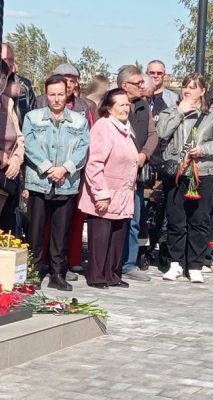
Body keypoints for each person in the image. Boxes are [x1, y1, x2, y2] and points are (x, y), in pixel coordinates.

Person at [157, 73, 213, 283]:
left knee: (199, 220)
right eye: (185, 86)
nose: (188, 90)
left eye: (193, 87)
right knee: (176, 219)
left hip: (203, 172)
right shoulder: (171, 110)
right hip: (178, 172)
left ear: (203, 91)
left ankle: (196, 265)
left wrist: (204, 149)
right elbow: (161, 132)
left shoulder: (212, 115)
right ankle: (175, 263)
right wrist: (179, 112)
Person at [23, 75, 90, 291]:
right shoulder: (32, 117)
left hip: (66, 183)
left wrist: (65, 168)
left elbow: (83, 149)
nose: (57, 99)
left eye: (60, 94)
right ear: (46, 95)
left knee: (60, 233)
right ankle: (33, 273)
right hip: (40, 181)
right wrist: (48, 168)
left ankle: (57, 274)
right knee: (35, 232)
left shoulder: (79, 121)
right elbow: (29, 145)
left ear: (67, 93)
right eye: (52, 94)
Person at [79, 88, 140, 289]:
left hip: (123, 195)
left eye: (127, 104)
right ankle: (97, 276)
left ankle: (113, 275)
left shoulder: (126, 128)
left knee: (117, 237)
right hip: (104, 194)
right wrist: (100, 193)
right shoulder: (104, 127)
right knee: (101, 238)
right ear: (110, 108)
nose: (126, 108)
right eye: (121, 105)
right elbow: (94, 163)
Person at [118, 65, 158, 282]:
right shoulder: (111, 102)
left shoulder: (143, 106)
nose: (143, 86)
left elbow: (152, 134)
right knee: (114, 220)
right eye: (138, 82)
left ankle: (129, 263)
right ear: (125, 85)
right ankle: (111, 262)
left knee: (134, 219)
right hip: (115, 173)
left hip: (137, 173)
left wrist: (144, 154)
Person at [0, 62, 25, 231]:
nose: (0, 81)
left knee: (2, 229)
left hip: (8, 178)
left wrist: (16, 159)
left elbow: (19, 137)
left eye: (4, 77)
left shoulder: (7, 102)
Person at [1, 43, 36, 128]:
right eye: (4, 59)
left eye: (11, 60)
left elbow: (34, 115)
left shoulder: (25, 85)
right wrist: (3, 91)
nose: (8, 64)